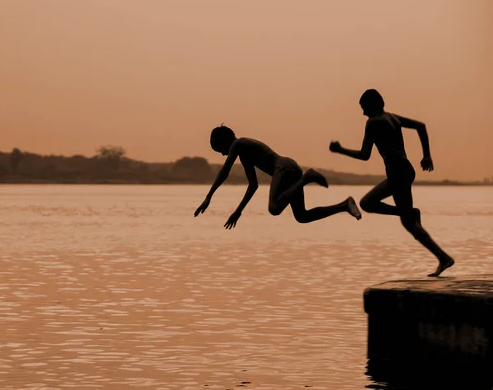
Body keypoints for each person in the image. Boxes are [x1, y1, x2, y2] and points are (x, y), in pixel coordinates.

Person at [329, 89, 454, 277]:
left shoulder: (373, 122)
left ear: (373, 105)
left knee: (398, 218)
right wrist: (426, 155)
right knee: (375, 206)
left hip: (397, 172)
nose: (363, 113)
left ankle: (444, 258)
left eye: (364, 108)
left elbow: (364, 155)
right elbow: (421, 126)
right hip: (404, 169)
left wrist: (341, 150)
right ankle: (436, 249)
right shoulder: (392, 117)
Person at [194, 124, 362, 229]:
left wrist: (209, 197)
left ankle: (307, 178)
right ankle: (344, 205)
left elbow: (225, 171)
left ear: (225, 140)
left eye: (220, 150)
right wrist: (238, 211)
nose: (224, 154)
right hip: (289, 169)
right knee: (302, 217)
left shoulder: (239, 143)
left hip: (282, 168)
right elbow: (253, 185)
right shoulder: (244, 155)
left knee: (274, 208)